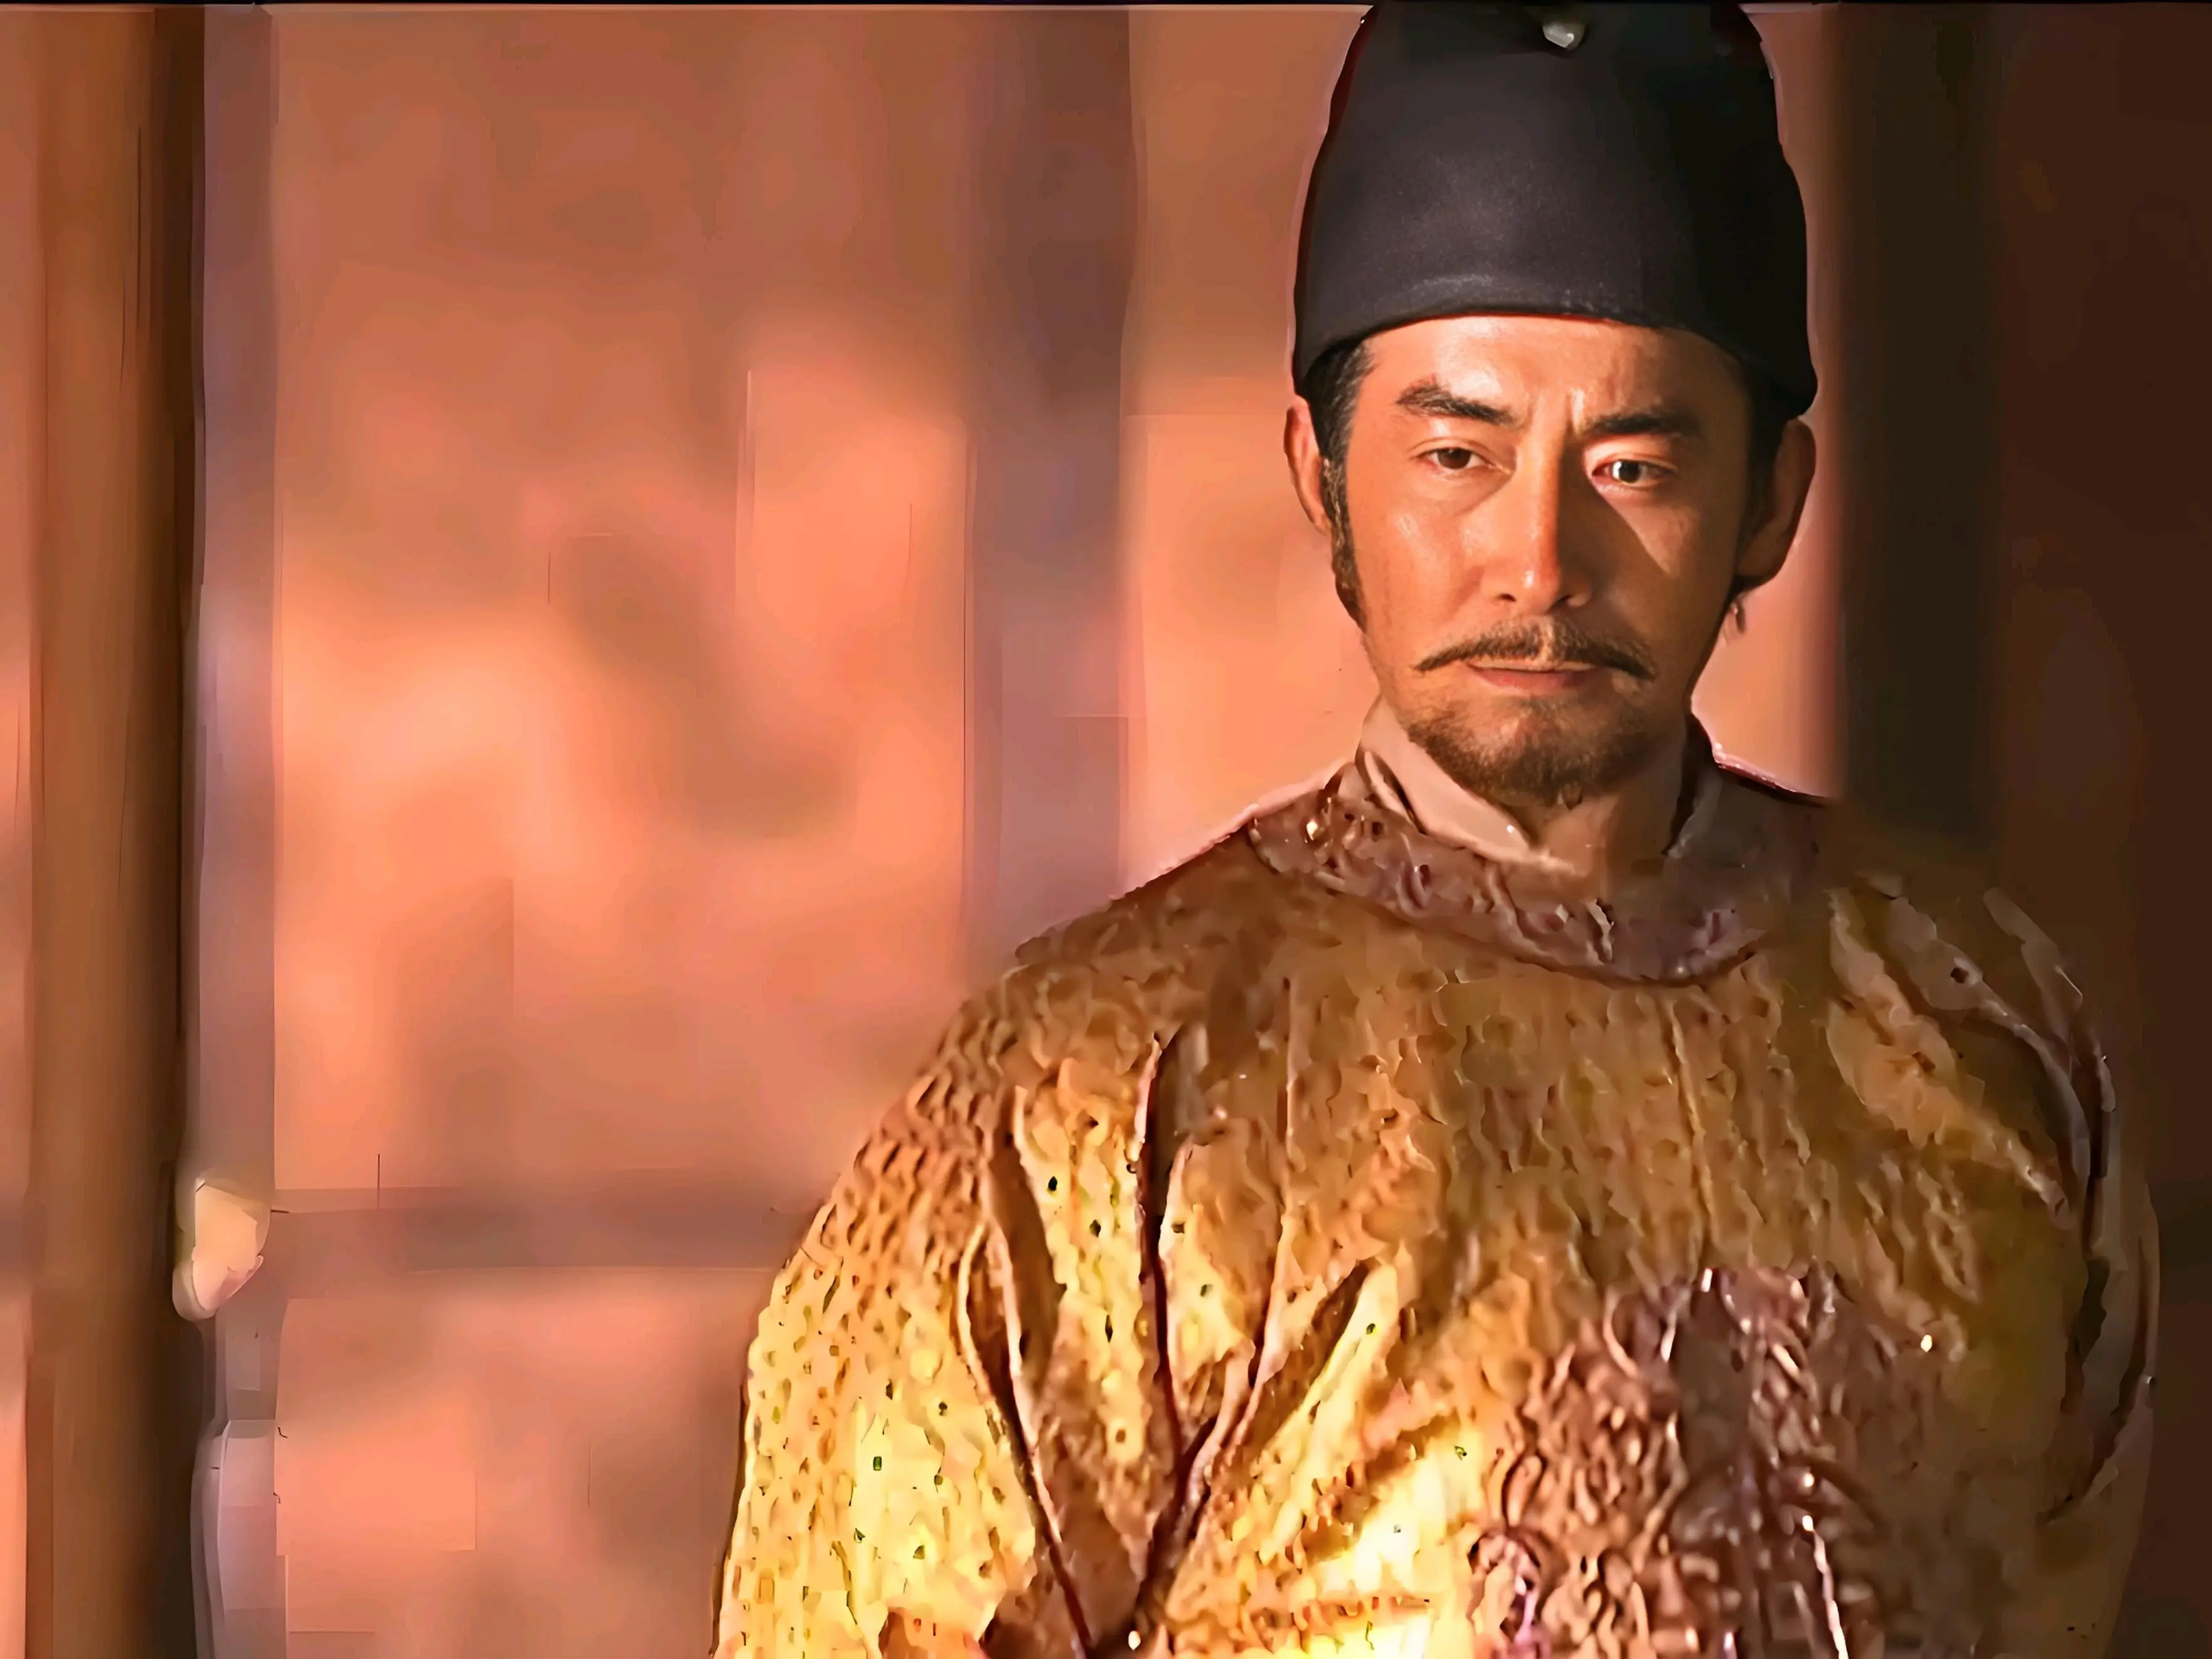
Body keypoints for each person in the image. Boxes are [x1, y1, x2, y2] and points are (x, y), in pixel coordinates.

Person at [712, 6, 2156, 1656]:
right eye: (1456, 453)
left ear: (1770, 500)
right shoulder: (1096, 1096)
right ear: (1323, 478)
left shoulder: (1981, 1022)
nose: (1537, 559)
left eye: (1633, 465)